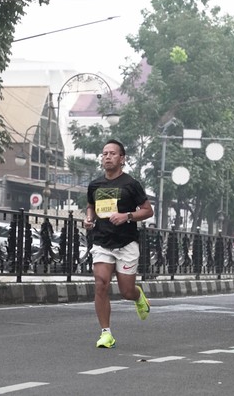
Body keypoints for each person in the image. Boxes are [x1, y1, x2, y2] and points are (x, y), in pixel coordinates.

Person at [84, 139, 154, 348]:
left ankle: (138, 296)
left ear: (122, 159)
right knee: (101, 284)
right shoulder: (95, 184)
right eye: (105, 153)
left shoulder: (131, 184)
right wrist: (89, 218)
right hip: (102, 241)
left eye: (112, 153)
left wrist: (127, 216)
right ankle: (106, 334)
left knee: (126, 291)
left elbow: (148, 211)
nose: (107, 157)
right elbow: (91, 206)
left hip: (126, 243)